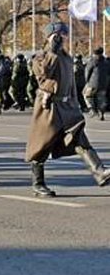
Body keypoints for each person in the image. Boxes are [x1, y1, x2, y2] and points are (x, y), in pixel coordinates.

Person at [26, 23, 110, 197]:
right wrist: (52, 51)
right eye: (58, 34)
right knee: (41, 147)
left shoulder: (66, 57)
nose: (62, 37)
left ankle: (99, 172)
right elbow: (43, 74)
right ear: (49, 37)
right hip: (49, 109)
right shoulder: (40, 57)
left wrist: (75, 104)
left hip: (67, 107)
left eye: (64, 34)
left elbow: (70, 83)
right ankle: (38, 184)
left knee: (79, 138)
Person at [84, 47, 108, 121]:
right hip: (104, 84)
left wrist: (87, 81)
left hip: (93, 83)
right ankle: (102, 113)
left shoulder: (93, 61)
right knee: (101, 99)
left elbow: (87, 72)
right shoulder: (106, 62)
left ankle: (92, 109)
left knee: (86, 95)